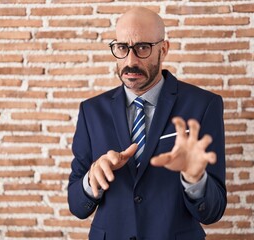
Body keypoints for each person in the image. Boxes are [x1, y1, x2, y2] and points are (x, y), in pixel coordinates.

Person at [68, 7, 226, 240]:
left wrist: (196, 179)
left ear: (164, 49)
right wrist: (92, 179)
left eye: (142, 48)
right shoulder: (91, 110)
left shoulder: (204, 105)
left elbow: (213, 211)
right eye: (122, 48)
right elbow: (76, 205)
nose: (130, 61)